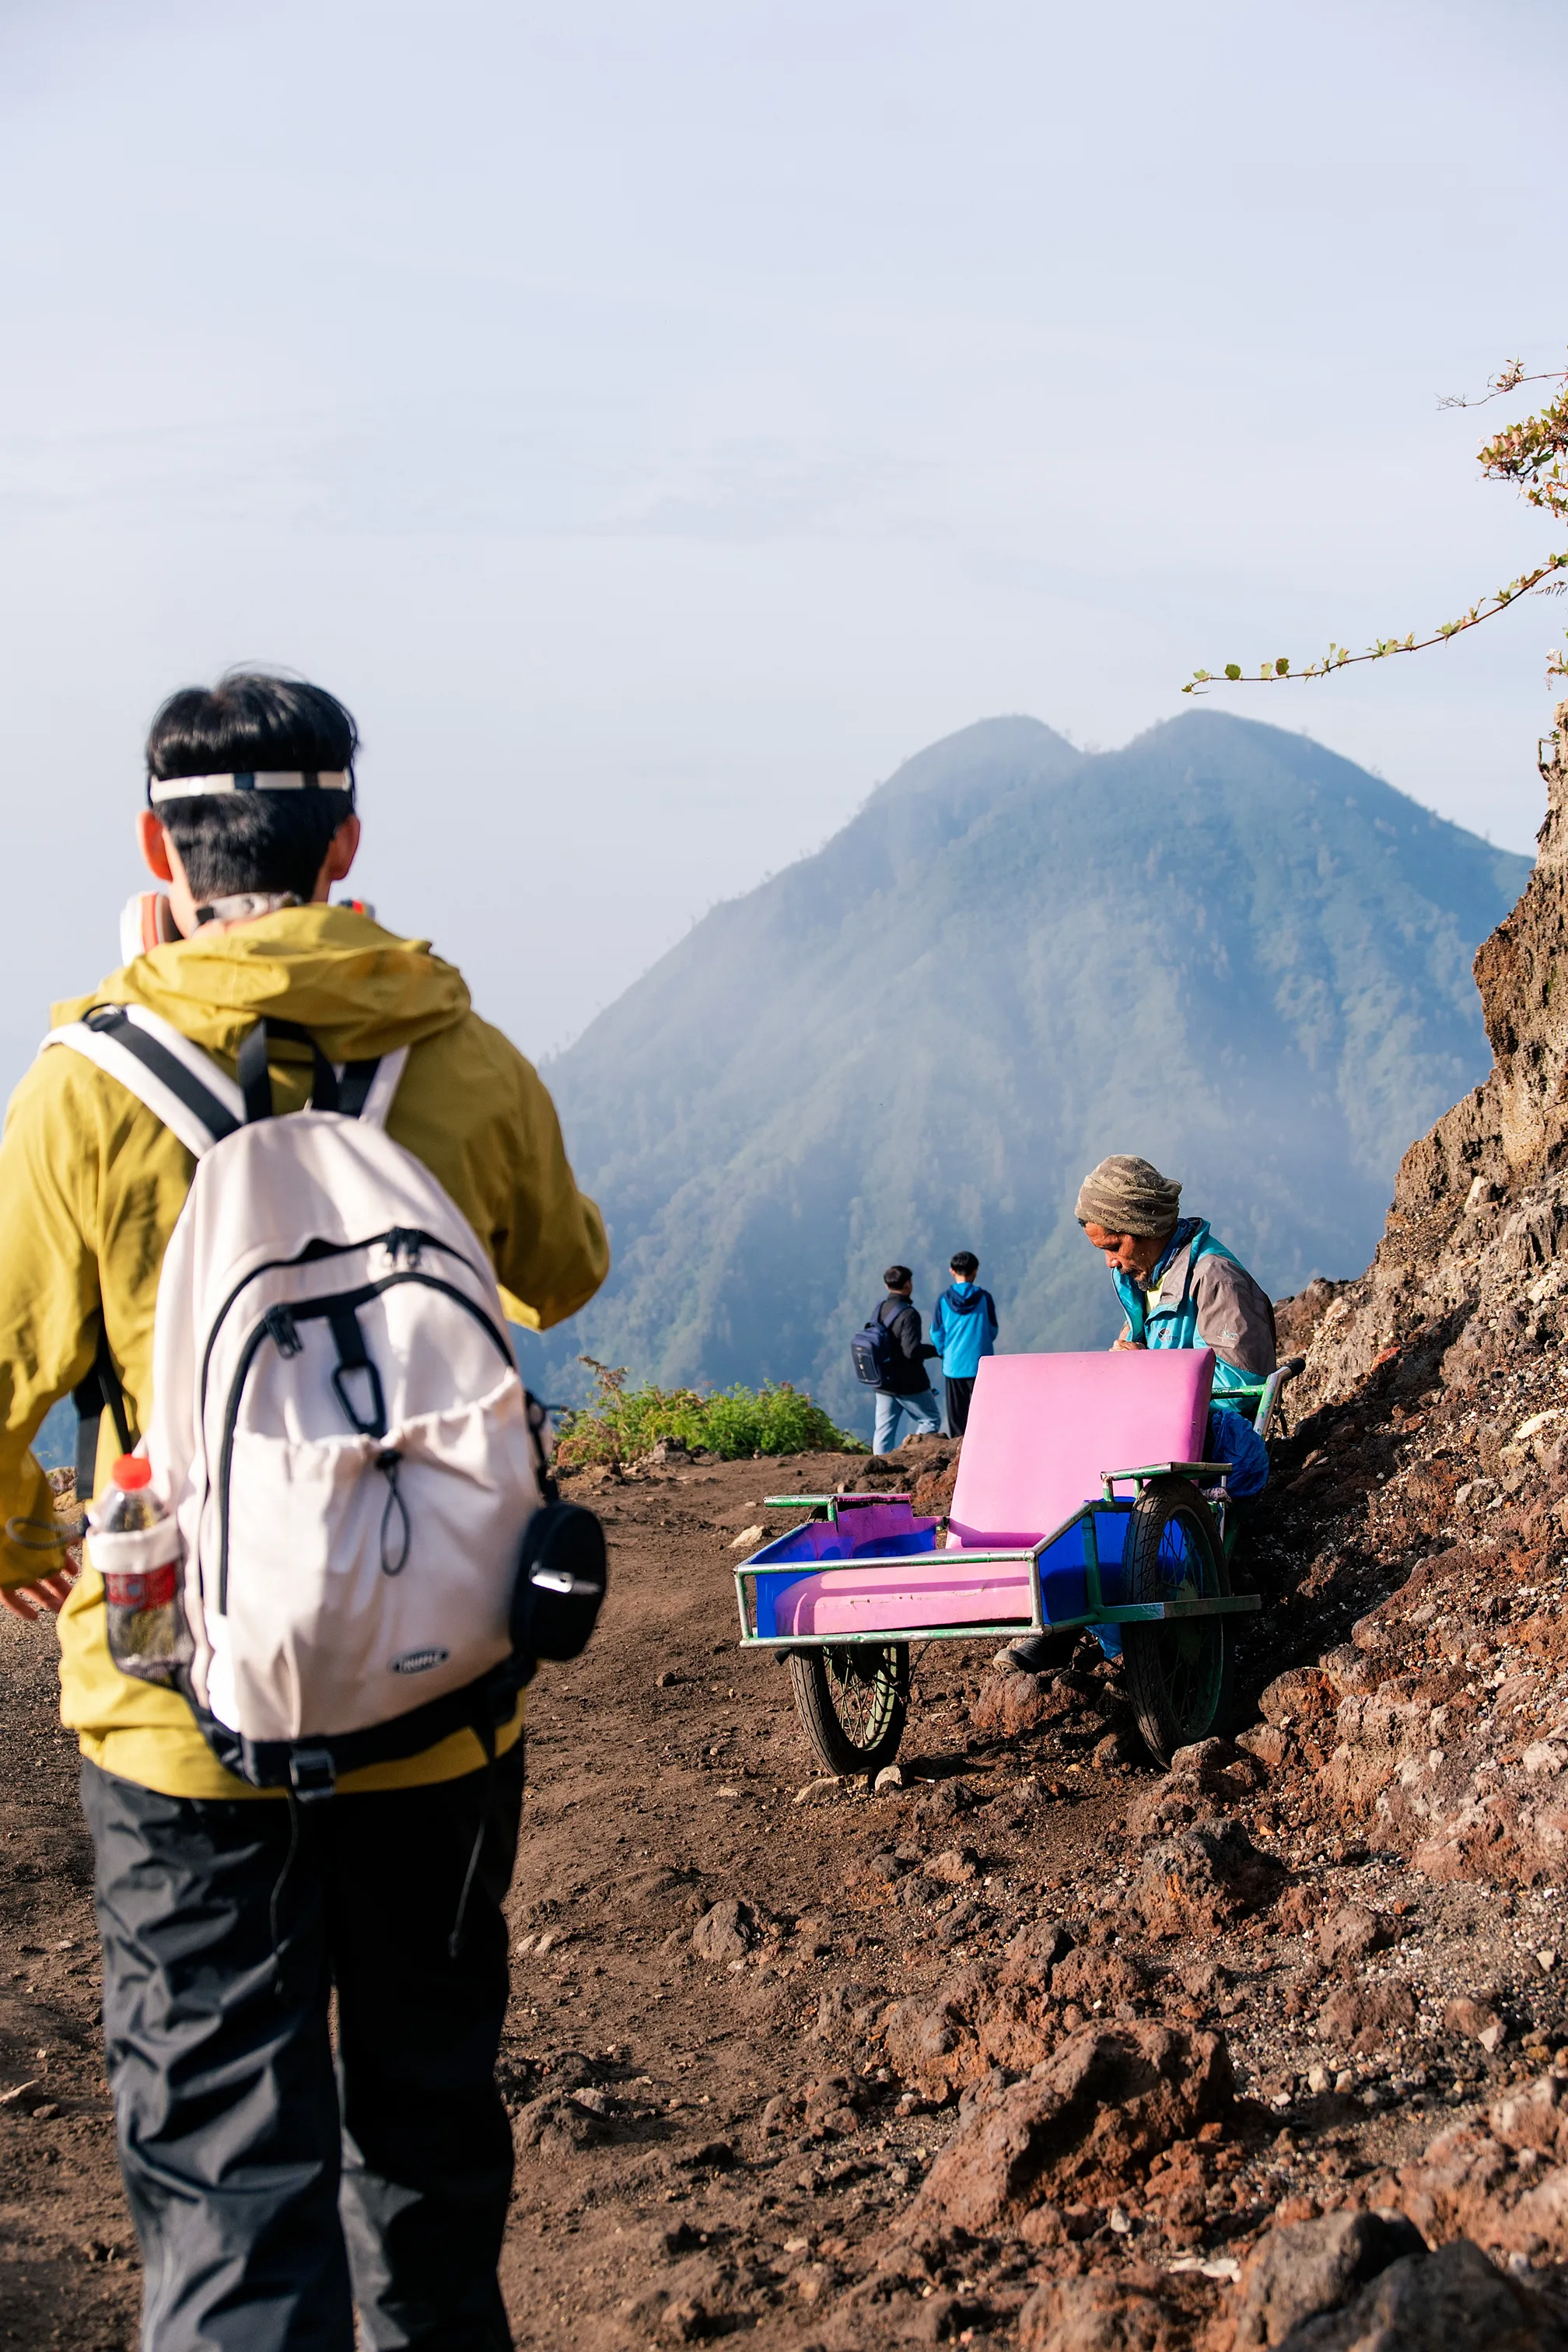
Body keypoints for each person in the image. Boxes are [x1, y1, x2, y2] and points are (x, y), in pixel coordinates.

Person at [0, 674, 609, 2352]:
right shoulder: (460, 1058)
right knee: (424, 2146)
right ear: (348, 843)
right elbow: (564, 1272)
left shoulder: (83, 1096)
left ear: (157, 846)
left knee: (221, 2177)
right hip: (441, 1696)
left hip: (179, 1711)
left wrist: (24, 1551)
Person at [996, 1154, 1273, 1675]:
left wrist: (1150, 1373)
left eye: (1114, 1246)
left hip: (1216, 1437)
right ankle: (1063, 1603)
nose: (1109, 1261)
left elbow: (1244, 1386)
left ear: (1145, 1228)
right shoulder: (1143, 1277)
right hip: (1159, 1423)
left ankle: (1090, 1621)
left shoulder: (1215, 1279)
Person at [866, 1265, 942, 1454]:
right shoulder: (909, 1314)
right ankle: (911, 1455)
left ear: (887, 1286)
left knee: (884, 1429)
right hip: (908, 1382)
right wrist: (937, 1350)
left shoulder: (879, 1309)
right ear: (909, 1284)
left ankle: (879, 1467)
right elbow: (911, 1351)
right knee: (930, 1420)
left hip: (882, 1379)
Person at [929, 1251, 998, 1436]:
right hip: (980, 1363)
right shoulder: (984, 1298)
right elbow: (993, 1330)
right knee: (982, 1411)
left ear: (952, 1271)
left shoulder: (944, 1300)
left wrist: (944, 1351)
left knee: (957, 1416)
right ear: (975, 1271)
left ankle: (959, 1455)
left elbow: (936, 1333)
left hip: (953, 1365)